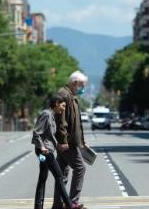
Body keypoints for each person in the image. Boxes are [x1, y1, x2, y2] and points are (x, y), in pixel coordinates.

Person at [53, 71, 89, 209]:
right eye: (81, 85)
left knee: (61, 173)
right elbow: (61, 121)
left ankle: (58, 204)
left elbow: (76, 123)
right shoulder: (63, 95)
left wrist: (82, 142)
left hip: (71, 142)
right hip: (67, 143)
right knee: (80, 168)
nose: (82, 88)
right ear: (74, 83)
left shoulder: (71, 96)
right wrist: (62, 141)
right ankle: (72, 202)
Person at [32, 96, 75, 209]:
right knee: (59, 176)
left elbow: (48, 135)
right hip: (44, 153)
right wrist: (42, 147)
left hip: (44, 152)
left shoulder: (51, 116)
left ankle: (38, 206)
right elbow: (36, 133)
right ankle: (70, 205)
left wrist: (58, 146)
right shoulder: (46, 114)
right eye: (62, 106)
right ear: (56, 103)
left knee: (43, 177)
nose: (64, 109)